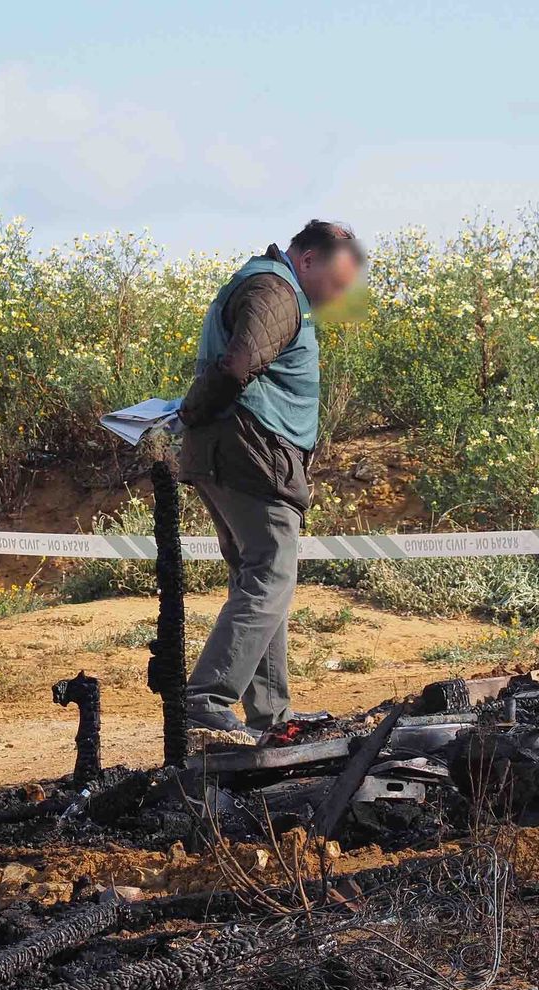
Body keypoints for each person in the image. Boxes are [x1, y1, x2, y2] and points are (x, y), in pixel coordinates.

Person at [177, 220, 365, 736]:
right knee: (271, 576)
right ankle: (206, 698)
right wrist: (192, 411)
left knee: (261, 578)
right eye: (336, 283)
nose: (337, 297)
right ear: (308, 259)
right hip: (254, 455)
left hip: (236, 453)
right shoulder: (277, 292)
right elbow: (238, 366)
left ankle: (271, 715)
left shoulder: (269, 285)